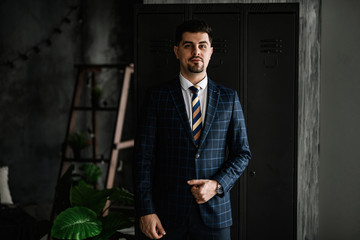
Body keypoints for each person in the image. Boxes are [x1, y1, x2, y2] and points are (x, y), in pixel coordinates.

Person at [134, 19, 251, 240]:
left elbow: (242, 153)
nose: (196, 51)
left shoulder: (228, 98)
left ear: (211, 52)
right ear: (177, 51)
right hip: (165, 216)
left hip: (215, 215)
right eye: (188, 46)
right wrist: (146, 210)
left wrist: (217, 185)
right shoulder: (157, 97)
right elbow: (143, 158)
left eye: (202, 46)